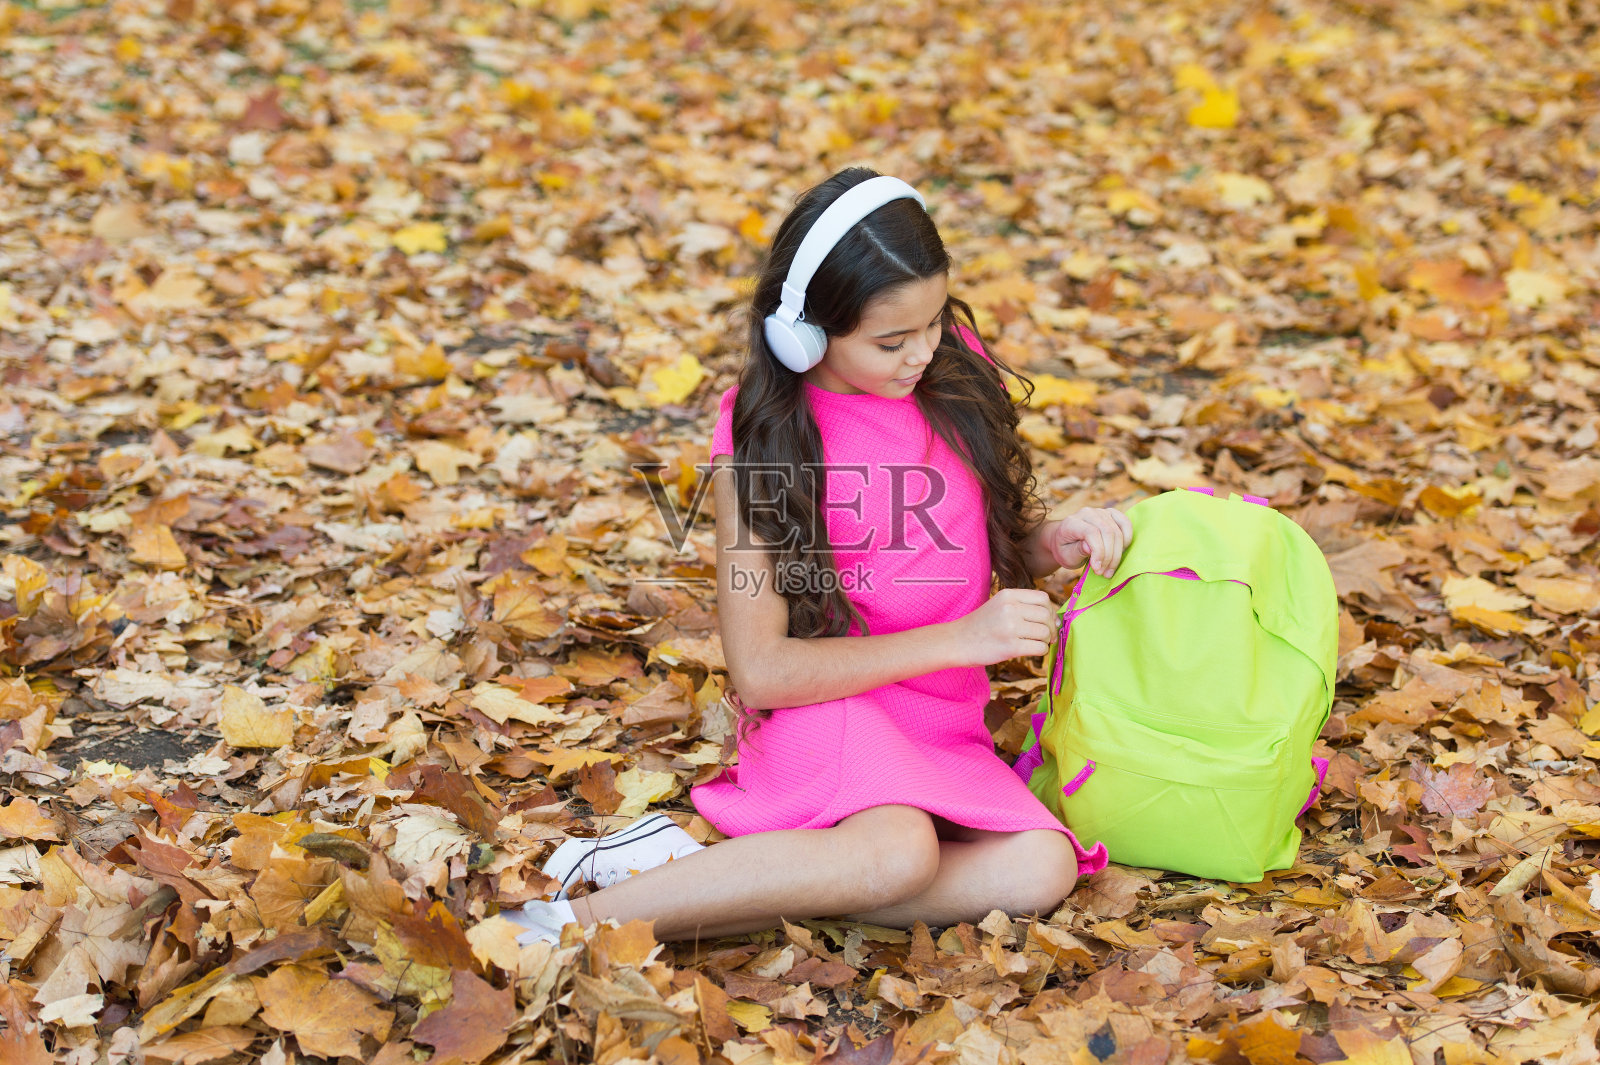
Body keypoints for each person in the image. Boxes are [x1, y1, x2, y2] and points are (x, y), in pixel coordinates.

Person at [506, 167, 1132, 946]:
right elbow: (764, 669)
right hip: (831, 703)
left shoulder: (948, 373)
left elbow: (976, 544)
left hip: (940, 715)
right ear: (802, 333)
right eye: (892, 340)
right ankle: (563, 924)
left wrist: (1052, 543)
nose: (923, 352)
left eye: (936, 321)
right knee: (898, 851)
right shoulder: (768, 443)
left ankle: (729, 879)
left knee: (1040, 869)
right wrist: (964, 639)